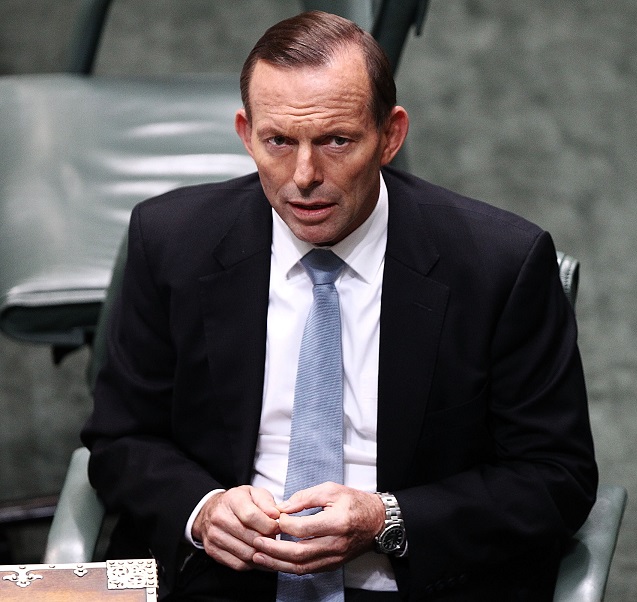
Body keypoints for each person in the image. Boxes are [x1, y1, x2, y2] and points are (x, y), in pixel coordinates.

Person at [82, 10, 598, 601]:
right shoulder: (171, 238)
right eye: (279, 141)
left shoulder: (499, 265)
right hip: (211, 573)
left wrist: (386, 519)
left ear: (390, 136)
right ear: (246, 134)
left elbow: (557, 479)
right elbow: (119, 438)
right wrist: (202, 510)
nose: (304, 177)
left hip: (414, 578)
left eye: (336, 141)